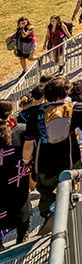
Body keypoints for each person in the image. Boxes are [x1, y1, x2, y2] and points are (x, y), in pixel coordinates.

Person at [20, 76, 82, 222]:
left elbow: (29, 144)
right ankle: (75, 213)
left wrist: (25, 162)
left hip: (44, 164)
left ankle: (49, 214)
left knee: (46, 192)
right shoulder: (77, 109)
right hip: (70, 160)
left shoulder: (35, 115)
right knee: (74, 186)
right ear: (66, 93)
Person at [0, 102, 31, 244]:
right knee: (21, 206)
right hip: (17, 178)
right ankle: (23, 236)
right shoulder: (22, 130)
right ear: (11, 114)